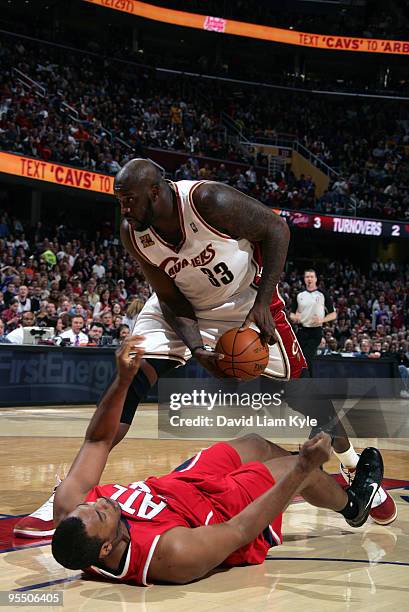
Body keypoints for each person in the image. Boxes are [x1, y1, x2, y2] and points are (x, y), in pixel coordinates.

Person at [16, 159, 395, 537]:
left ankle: (350, 461)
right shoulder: (134, 232)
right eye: (120, 202)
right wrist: (198, 350)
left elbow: (277, 230)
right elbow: (169, 298)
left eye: (130, 200)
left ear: (155, 191)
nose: (125, 209)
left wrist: (263, 303)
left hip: (244, 303)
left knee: (304, 394)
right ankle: (67, 495)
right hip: (178, 307)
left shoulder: (208, 201)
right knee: (129, 381)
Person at [50, 338, 384, 585]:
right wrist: (300, 470)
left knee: (254, 443)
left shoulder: (72, 510)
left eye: (90, 505)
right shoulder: (171, 555)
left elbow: (98, 440)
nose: (101, 501)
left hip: (178, 487)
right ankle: (353, 506)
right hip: (221, 512)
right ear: (108, 546)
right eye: (99, 513)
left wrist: (124, 381)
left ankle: (320, 474)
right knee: (303, 472)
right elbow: (237, 530)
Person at [290, 269, 337, 373]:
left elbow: (333, 314)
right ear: (304, 279)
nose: (309, 279)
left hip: (315, 331)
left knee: (306, 357)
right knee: (300, 359)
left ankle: (307, 383)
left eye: (311, 277)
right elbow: (291, 313)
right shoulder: (299, 295)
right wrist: (295, 317)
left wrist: (322, 320)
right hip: (301, 331)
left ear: (316, 279)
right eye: (307, 277)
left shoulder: (322, 294)